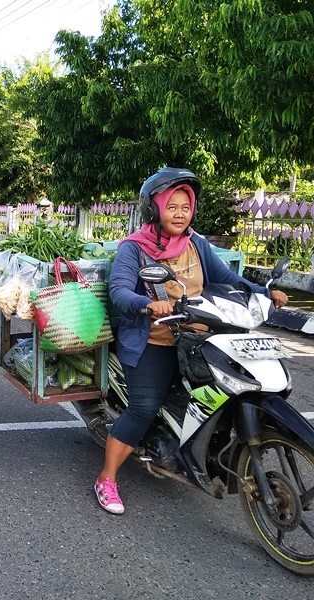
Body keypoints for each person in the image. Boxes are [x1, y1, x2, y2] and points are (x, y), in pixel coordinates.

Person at [97, 167, 288, 515]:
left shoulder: (197, 244)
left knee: (222, 392)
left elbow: (227, 278)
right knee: (144, 407)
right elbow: (120, 291)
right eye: (172, 206)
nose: (181, 213)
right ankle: (107, 478)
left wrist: (264, 292)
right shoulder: (134, 250)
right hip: (152, 341)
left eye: (186, 206)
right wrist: (147, 303)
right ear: (154, 209)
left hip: (199, 337)